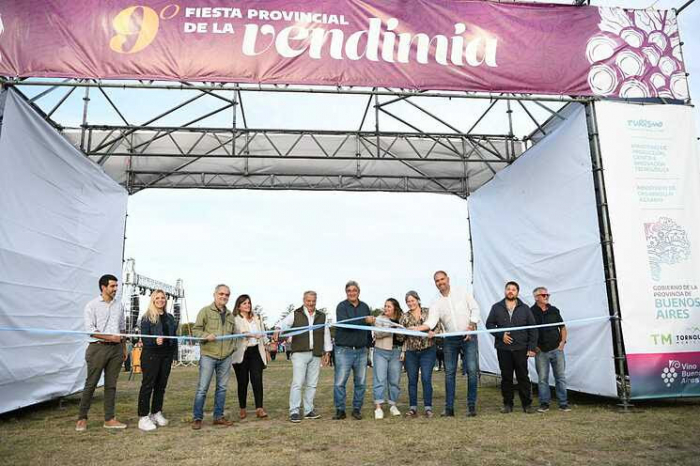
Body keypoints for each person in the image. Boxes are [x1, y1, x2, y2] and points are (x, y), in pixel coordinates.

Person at [413, 271, 480, 417]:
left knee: (472, 370)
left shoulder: (462, 292)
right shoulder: (435, 301)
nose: (440, 282)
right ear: (435, 283)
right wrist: (418, 328)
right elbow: (431, 321)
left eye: (442, 279)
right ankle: (449, 408)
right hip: (450, 340)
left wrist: (471, 326)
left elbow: (475, 309)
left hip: (469, 336)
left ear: (448, 279)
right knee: (449, 373)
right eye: (437, 281)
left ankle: (471, 406)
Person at [75, 274, 128, 432]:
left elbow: (122, 328)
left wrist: (124, 348)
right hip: (98, 348)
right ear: (103, 287)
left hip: (116, 350)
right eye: (112, 286)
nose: (115, 289)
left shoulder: (119, 305)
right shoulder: (91, 306)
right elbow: (90, 330)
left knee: (111, 385)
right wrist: (109, 337)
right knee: (91, 384)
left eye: (116, 286)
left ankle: (109, 419)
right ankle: (82, 418)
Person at [274, 291, 332, 423]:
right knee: (298, 383)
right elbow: (283, 323)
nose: (311, 303)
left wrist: (327, 352)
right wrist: (278, 328)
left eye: (313, 301)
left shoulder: (322, 316)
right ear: (304, 300)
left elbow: (326, 334)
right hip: (299, 353)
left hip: (316, 353)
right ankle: (294, 411)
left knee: (312, 384)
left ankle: (308, 410)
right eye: (308, 301)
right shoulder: (296, 313)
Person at [485, 281, 538, 414]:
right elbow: (489, 325)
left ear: (517, 292)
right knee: (506, 377)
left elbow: (533, 329)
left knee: (523, 377)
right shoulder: (496, 307)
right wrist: (500, 335)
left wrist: (531, 347)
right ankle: (508, 404)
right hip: (503, 349)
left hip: (521, 349)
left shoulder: (525, 308)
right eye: (508, 289)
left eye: (513, 289)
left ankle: (527, 404)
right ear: (505, 291)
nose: (510, 291)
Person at [191, 284, 237, 430]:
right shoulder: (204, 311)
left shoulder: (230, 315)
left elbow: (234, 335)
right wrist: (206, 336)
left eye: (227, 295)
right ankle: (197, 418)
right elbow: (196, 331)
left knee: (222, 388)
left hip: (225, 357)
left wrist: (231, 349)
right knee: (202, 388)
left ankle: (218, 417)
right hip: (208, 355)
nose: (224, 297)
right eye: (221, 294)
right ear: (215, 294)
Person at [333, 280, 376, 420]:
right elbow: (346, 324)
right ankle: (340, 410)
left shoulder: (364, 307)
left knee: (361, 382)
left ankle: (357, 409)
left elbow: (368, 329)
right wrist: (365, 321)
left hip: (361, 351)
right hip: (343, 350)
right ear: (346, 292)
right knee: (340, 382)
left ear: (358, 291)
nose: (352, 293)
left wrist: (369, 345)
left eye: (354, 290)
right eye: (349, 290)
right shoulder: (341, 306)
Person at [137, 289, 178, 431]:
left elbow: (174, 338)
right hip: (151, 356)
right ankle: (143, 416)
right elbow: (144, 339)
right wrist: (155, 341)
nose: (161, 300)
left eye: (163, 298)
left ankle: (156, 412)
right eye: (157, 298)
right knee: (148, 385)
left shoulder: (170, 318)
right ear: (153, 300)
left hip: (166, 356)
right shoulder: (146, 318)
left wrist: (174, 356)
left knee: (161, 386)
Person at [402, 290, 442, 418]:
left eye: (412, 300)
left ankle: (428, 408)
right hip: (411, 352)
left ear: (418, 300)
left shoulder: (428, 312)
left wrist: (433, 332)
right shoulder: (404, 316)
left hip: (428, 350)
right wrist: (402, 331)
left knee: (426, 378)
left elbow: (438, 326)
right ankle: (413, 408)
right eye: (408, 301)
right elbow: (399, 336)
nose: (410, 303)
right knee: (412, 380)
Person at [531, 287, 571, 412]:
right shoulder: (530, 312)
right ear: (536, 297)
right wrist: (534, 347)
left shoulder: (554, 310)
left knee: (560, 377)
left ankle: (563, 403)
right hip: (541, 351)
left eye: (547, 294)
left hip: (556, 349)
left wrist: (562, 343)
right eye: (543, 295)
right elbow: (529, 331)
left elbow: (562, 328)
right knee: (542, 378)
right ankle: (544, 404)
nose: (546, 297)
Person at [231, 294, 271, 420]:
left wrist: (267, 347)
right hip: (242, 353)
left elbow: (263, 333)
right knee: (242, 382)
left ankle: (259, 408)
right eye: (244, 303)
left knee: (257, 380)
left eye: (248, 303)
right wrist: (250, 335)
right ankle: (242, 408)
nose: (247, 305)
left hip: (256, 352)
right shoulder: (234, 319)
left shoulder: (257, 318)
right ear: (239, 306)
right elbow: (237, 333)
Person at [372, 298, 404, 419]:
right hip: (381, 351)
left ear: (395, 308)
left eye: (389, 306)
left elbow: (405, 336)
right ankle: (378, 407)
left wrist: (403, 351)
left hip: (396, 352)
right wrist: (391, 328)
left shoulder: (401, 319)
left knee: (394, 381)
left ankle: (393, 405)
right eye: (385, 306)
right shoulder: (379, 318)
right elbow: (377, 334)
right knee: (380, 379)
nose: (386, 308)